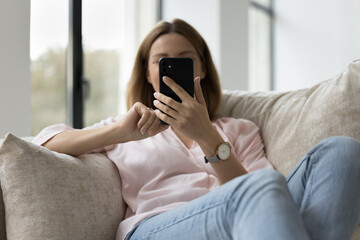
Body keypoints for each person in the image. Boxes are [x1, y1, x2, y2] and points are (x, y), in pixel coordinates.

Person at [33, 18, 360, 240]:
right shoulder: (130, 126)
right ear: (148, 73)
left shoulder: (239, 130)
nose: (173, 66)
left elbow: (265, 196)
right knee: (262, 186)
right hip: (157, 228)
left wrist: (207, 136)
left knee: (343, 150)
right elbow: (44, 145)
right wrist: (118, 132)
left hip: (240, 221)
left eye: (185, 59)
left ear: (201, 66)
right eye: (161, 60)